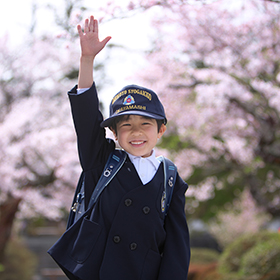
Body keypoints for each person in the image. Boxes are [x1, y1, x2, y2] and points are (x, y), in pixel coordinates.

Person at [49, 15, 190, 280]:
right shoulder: (101, 161)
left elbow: (177, 245)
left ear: (161, 130)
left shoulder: (170, 178)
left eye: (146, 124)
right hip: (97, 272)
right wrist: (87, 60)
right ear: (113, 133)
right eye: (125, 125)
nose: (136, 132)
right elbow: (86, 119)